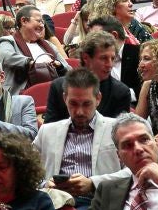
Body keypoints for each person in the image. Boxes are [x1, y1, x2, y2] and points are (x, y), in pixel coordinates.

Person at [35, 70, 121, 200]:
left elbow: (134, 171)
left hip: (99, 203)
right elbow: (25, 171)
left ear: (98, 99)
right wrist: (45, 184)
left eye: (86, 104)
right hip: (54, 203)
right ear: (65, 99)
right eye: (73, 104)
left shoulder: (117, 129)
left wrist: (93, 183)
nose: (80, 112)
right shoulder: (46, 131)